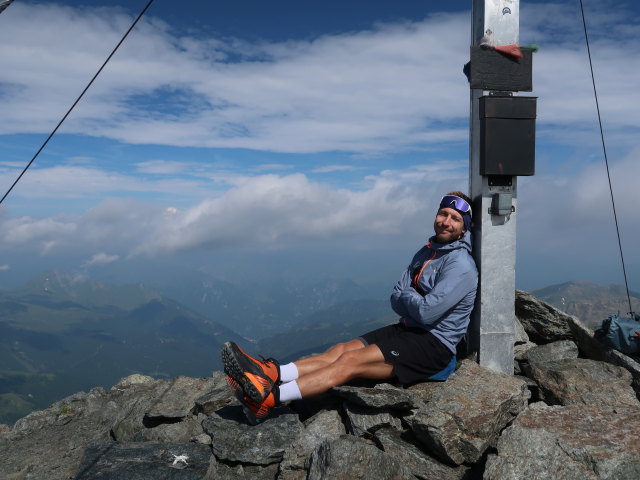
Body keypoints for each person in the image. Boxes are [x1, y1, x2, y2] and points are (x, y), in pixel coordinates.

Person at [221, 191, 478, 423]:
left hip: (433, 344)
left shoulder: (460, 265)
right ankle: (272, 372)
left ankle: (267, 399)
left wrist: (409, 297)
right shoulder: (427, 251)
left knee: (350, 361)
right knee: (340, 349)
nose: (446, 221)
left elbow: (426, 311)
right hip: (409, 330)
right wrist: (413, 298)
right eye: (443, 213)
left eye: (455, 218)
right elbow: (395, 297)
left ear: (463, 228)